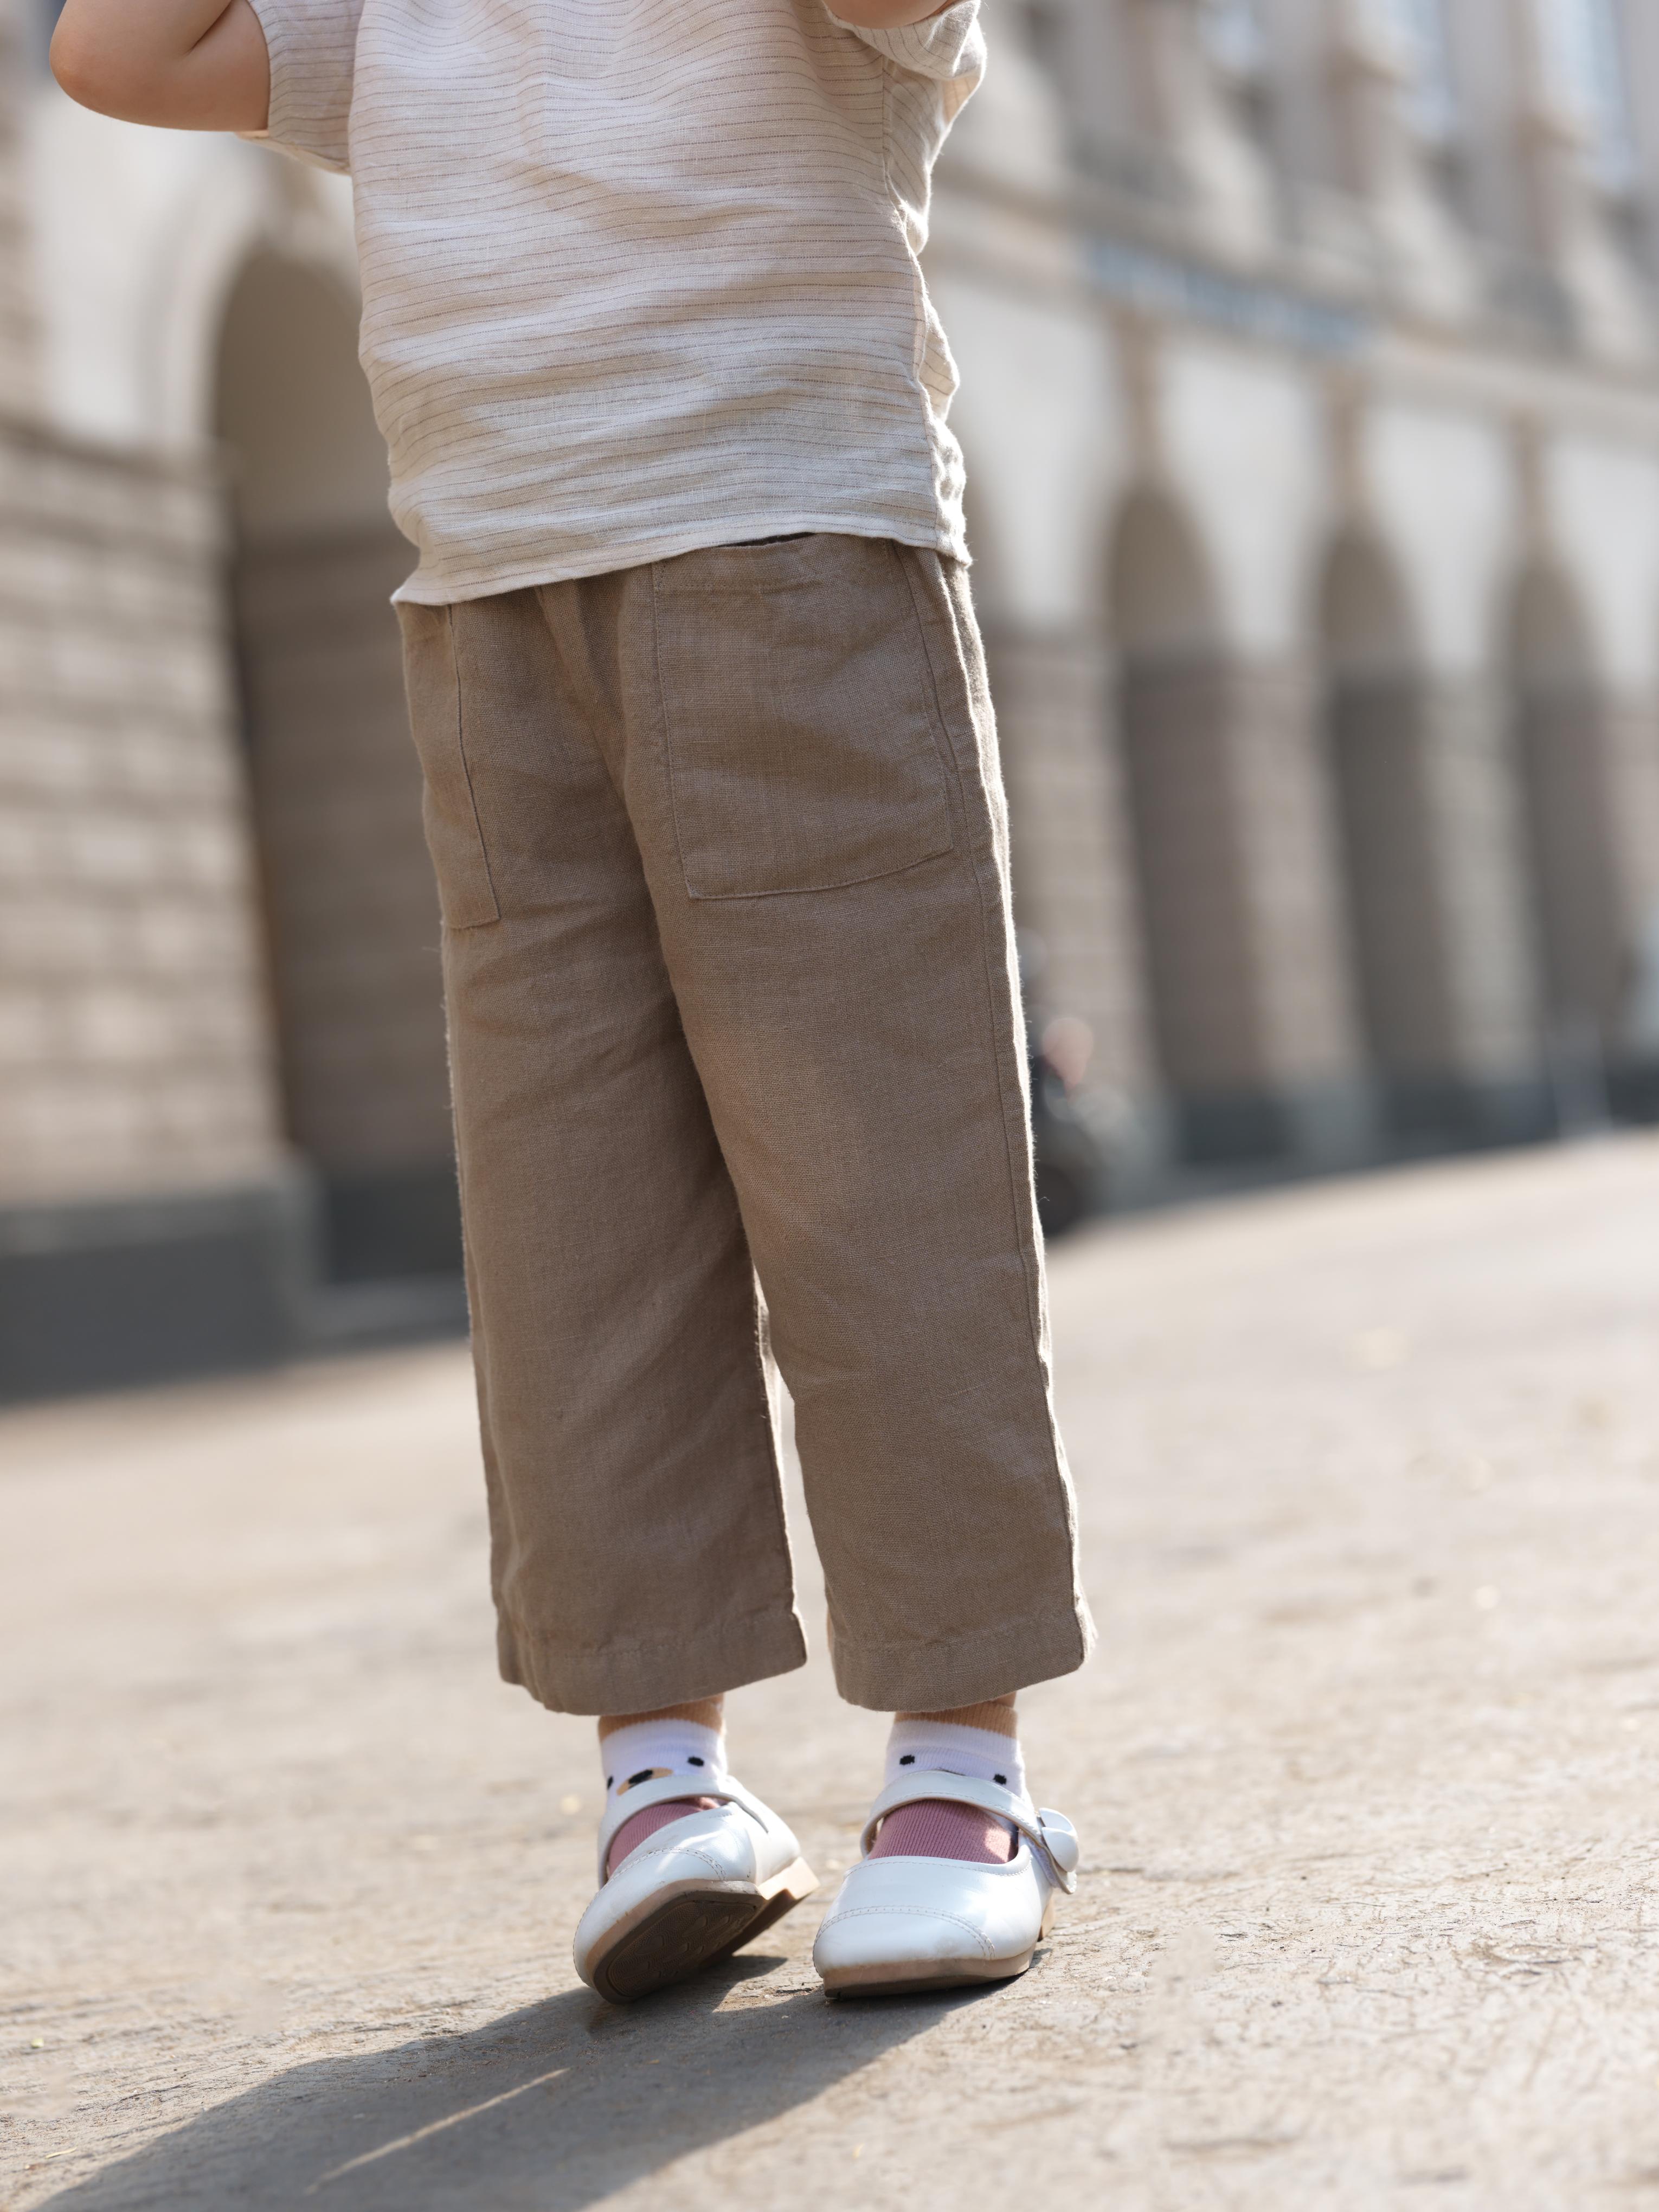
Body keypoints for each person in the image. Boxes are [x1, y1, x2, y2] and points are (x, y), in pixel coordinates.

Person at [53, 0, 1091, 2001]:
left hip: (787, 548)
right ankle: (662, 1780)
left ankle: (960, 1773)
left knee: (879, 1186)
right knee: (573, 1215)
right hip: (486, 602)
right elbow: (117, 54)